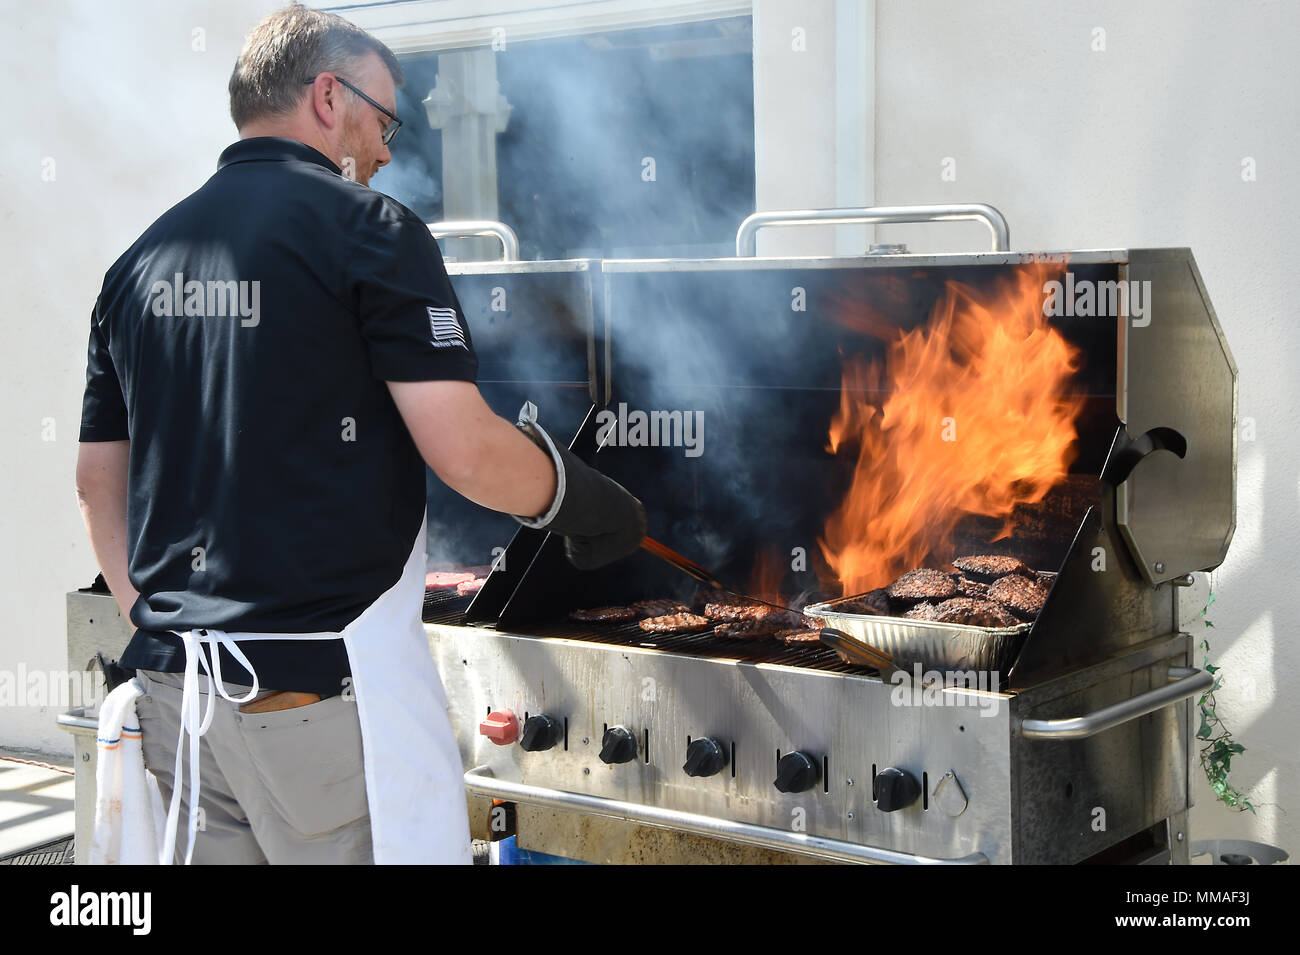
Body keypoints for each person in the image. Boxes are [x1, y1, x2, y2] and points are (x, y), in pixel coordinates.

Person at [73, 2, 645, 865]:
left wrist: (154, 615)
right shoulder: (370, 231)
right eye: (385, 119)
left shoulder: (137, 263)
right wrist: (583, 500)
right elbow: (464, 450)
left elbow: (95, 481)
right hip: (311, 700)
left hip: (174, 692)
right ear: (329, 97)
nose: (388, 148)